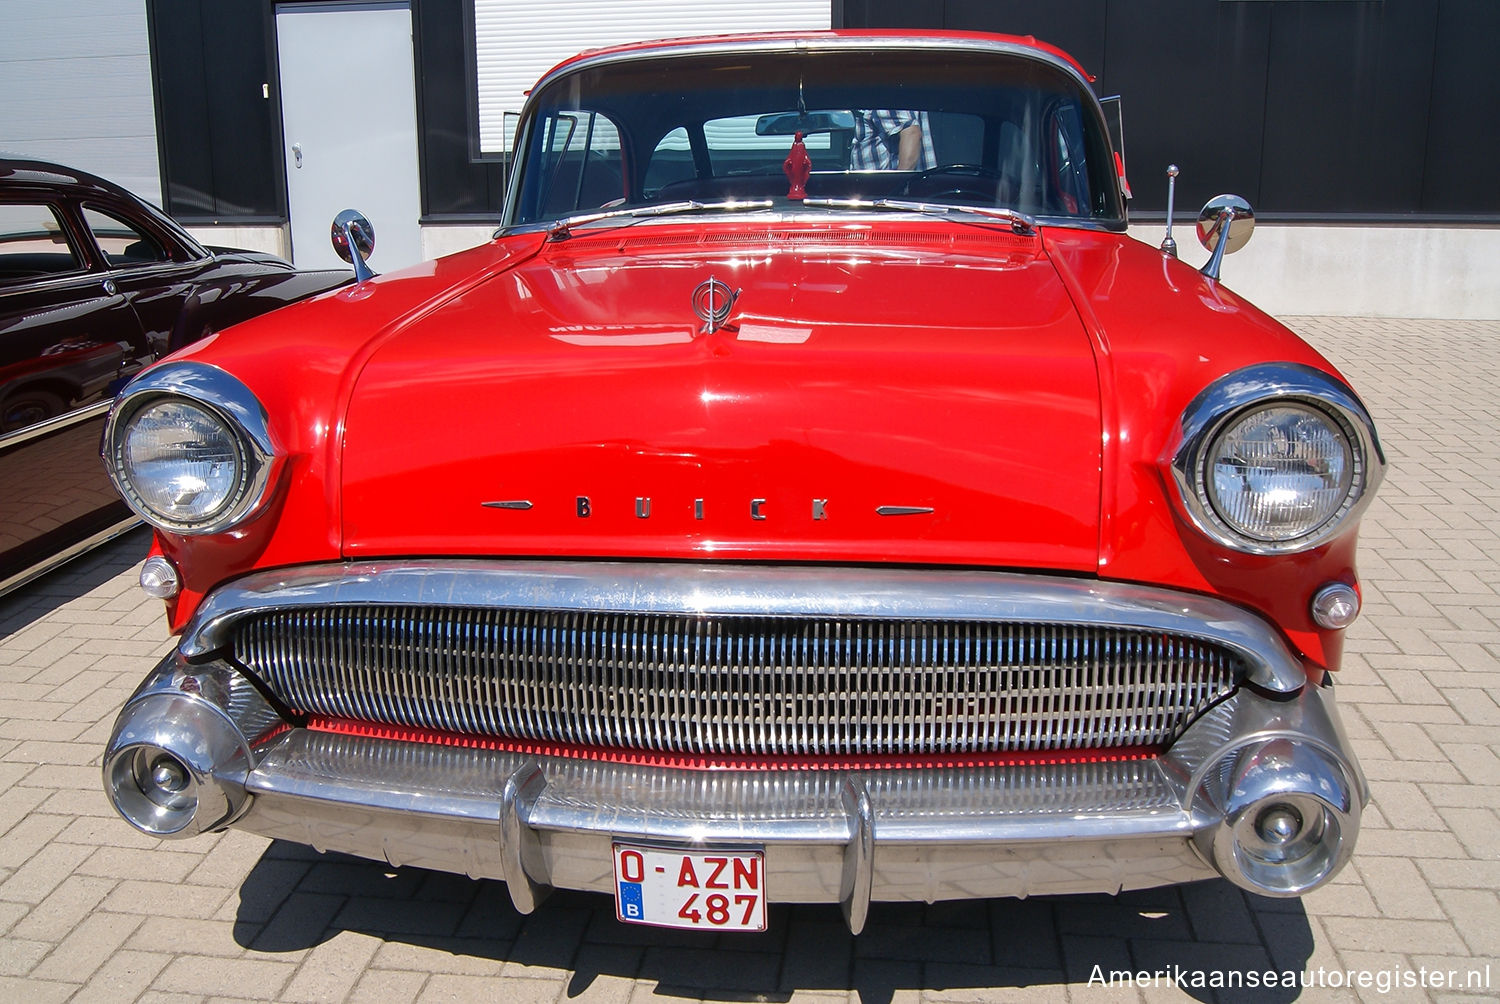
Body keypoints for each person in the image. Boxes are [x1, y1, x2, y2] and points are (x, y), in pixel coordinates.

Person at [849, 110, 937, 171]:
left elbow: (911, 133)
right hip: (878, 191)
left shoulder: (879, 91)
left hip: (884, 192)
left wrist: (899, 189)